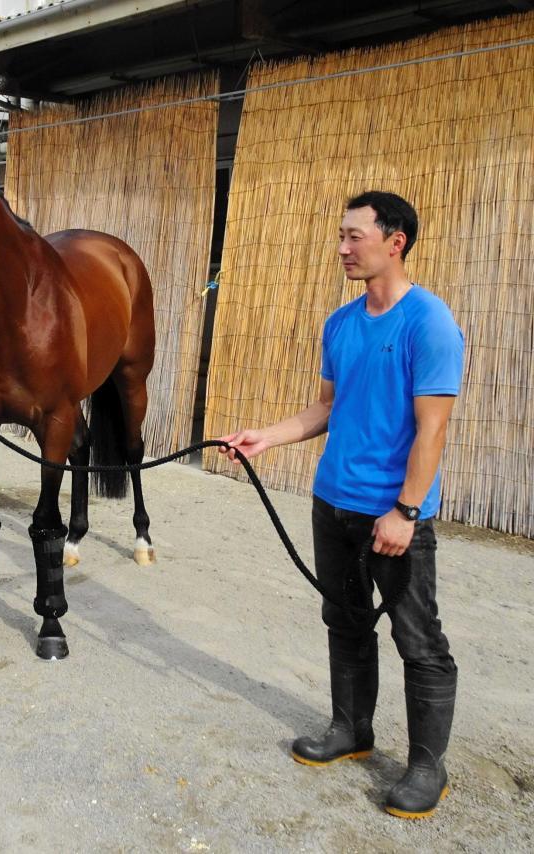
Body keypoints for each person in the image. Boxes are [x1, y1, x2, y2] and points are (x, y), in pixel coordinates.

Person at [219, 191, 463, 820]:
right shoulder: (340, 323)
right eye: (341, 236)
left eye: (355, 236)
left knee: (418, 639)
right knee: (345, 622)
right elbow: (327, 407)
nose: (342, 249)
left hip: (395, 516)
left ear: (395, 241)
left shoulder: (428, 323)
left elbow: (431, 429)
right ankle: (351, 730)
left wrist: (406, 512)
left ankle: (426, 767)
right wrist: (265, 436)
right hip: (334, 503)